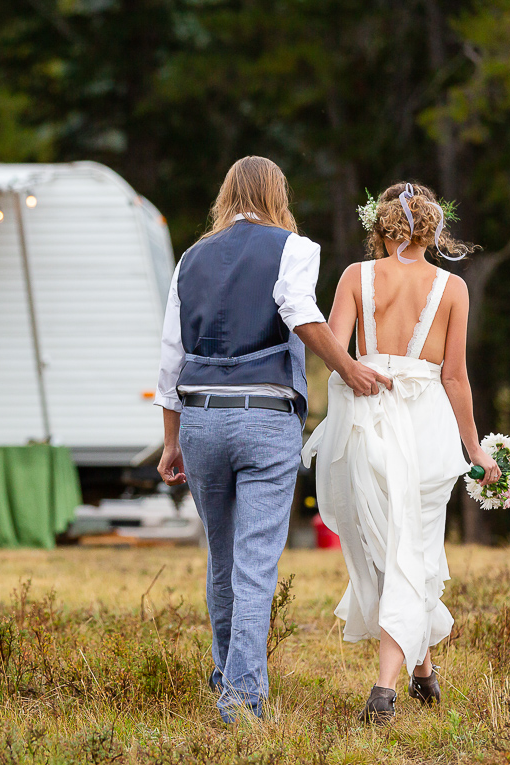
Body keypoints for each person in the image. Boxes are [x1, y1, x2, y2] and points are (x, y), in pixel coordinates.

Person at [155, 156, 392, 723]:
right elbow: (296, 309)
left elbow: (170, 356)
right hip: (265, 418)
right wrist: (350, 368)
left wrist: (171, 442)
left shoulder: (190, 259)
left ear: (227, 194)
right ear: (276, 194)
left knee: (222, 558)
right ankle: (241, 699)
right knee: (255, 562)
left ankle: (227, 677)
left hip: (201, 418)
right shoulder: (294, 247)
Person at [301, 182, 500, 724]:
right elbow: (455, 377)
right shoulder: (453, 288)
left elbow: (333, 356)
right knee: (410, 549)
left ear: (380, 228)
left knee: (394, 550)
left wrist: (362, 366)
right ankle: (384, 688)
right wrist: (474, 447)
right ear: (435, 230)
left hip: (367, 424)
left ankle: (421, 675)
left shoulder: (354, 278)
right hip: (427, 427)